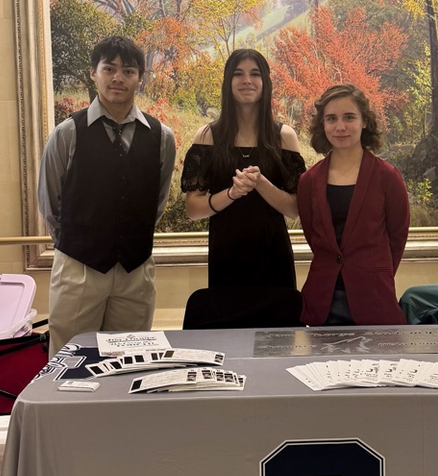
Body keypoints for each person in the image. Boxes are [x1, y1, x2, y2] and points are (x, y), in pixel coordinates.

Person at [38, 35, 176, 357]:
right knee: (70, 363)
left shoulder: (162, 138)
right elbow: (50, 203)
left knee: (129, 364)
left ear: (139, 78)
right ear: (93, 73)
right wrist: (80, 243)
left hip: (135, 272)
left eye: (128, 71)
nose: (118, 77)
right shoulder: (67, 133)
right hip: (79, 267)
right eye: (109, 68)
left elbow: (156, 201)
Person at [181, 48, 304, 326]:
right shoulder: (207, 136)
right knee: (227, 338)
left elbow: (296, 208)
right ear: (228, 82)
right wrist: (232, 193)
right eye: (238, 74)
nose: (246, 80)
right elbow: (193, 209)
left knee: (277, 341)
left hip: (274, 256)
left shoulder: (284, 137)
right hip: (227, 254)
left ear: (265, 83)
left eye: (254, 74)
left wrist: (260, 183)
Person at [297, 84, 410, 326]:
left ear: (364, 122)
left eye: (349, 117)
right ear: (323, 125)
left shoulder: (387, 176)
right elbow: (314, 238)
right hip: (322, 303)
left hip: (374, 301)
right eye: (331, 119)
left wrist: (373, 272)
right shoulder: (308, 181)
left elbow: (397, 238)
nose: (340, 126)